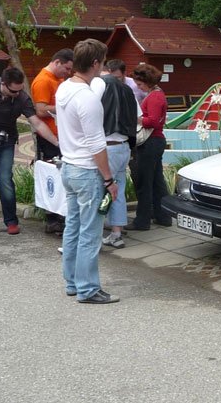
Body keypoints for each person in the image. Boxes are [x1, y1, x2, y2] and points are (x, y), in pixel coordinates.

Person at [56, 38, 120, 304]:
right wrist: (109, 180)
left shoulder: (64, 89)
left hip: (69, 167)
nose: (103, 66)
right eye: (102, 61)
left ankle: (72, 282)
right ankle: (88, 288)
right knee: (90, 233)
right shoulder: (88, 99)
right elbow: (96, 145)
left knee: (73, 227)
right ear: (95, 64)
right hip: (86, 171)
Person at [0, 67, 58, 235]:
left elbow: (37, 123)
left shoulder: (22, 98)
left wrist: (57, 142)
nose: (17, 94)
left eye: (20, 90)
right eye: (14, 91)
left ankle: (11, 221)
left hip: (6, 141)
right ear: (3, 84)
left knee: (5, 179)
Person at [89, 59, 138, 248]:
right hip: (123, 146)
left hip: (106, 146)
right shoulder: (127, 90)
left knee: (99, 191)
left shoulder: (97, 86)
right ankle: (116, 234)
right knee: (117, 191)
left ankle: (93, 237)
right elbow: (136, 118)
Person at [31, 48, 73, 234]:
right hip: (50, 137)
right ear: (57, 62)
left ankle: (61, 215)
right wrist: (64, 106)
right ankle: (52, 218)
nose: (68, 73)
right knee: (53, 174)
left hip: (61, 135)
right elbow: (40, 110)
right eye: (66, 68)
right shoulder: (43, 80)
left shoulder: (58, 79)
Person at [125, 63, 172, 231]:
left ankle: (142, 220)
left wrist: (136, 119)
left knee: (144, 183)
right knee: (157, 181)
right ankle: (163, 215)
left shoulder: (154, 97)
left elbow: (151, 121)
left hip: (150, 142)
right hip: (157, 141)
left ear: (147, 82)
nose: (138, 87)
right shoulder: (158, 95)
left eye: (139, 84)